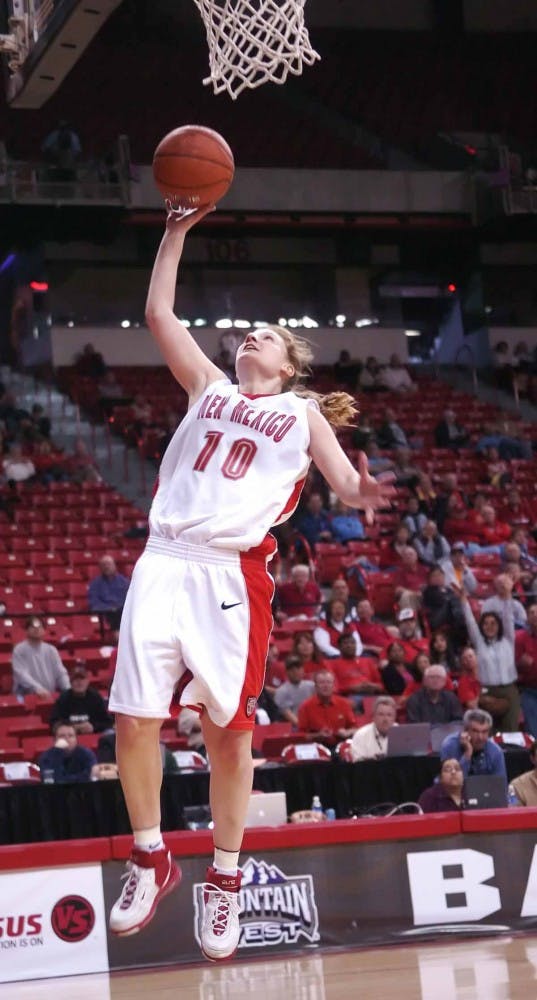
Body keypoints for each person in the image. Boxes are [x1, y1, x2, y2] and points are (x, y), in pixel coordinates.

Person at [105, 205, 394, 960]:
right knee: (133, 719)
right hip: (162, 559)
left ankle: (226, 877)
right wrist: (175, 230)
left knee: (228, 737)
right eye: (247, 332)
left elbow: (337, 476)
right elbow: (157, 311)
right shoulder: (206, 386)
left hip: (229, 575)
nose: (249, 337)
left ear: (290, 365)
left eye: (265, 334)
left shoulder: (301, 413)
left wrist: (358, 494)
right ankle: (150, 854)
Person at [459, 585, 520, 732]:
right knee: (487, 730)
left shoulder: (508, 640)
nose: (489, 626)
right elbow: (470, 622)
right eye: (486, 624)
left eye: (493, 623)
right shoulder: (479, 643)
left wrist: (507, 597)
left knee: (511, 730)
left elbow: (507, 617)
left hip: (509, 689)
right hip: (488, 690)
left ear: (499, 626)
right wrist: (463, 601)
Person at [440, 708, 507, 780]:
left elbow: (501, 786)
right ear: (465, 731)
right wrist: (467, 753)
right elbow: (451, 782)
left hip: (484, 790)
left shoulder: (495, 751)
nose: (480, 737)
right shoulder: (450, 745)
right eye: (475, 731)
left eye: (484, 732)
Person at [297, 669, 357, 748]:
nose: (325, 686)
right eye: (322, 683)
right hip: (316, 747)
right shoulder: (305, 707)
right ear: (315, 686)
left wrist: (347, 732)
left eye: (328, 682)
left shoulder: (344, 704)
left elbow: (355, 729)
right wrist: (318, 735)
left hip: (340, 745)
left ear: (333, 686)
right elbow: (300, 736)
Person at [12, 616, 70, 696]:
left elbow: (60, 672)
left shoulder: (51, 650)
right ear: (26, 630)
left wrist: (68, 689)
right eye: (33, 627)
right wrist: (37, 688)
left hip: (49, 694)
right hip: (27, 695)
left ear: (44, 630)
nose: (36, 629)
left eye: (39, 627)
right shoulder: (19, 649)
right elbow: (21, 674)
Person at [49, 664, 113, 734]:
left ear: (87, 681)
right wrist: (71, 727)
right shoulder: (63, 698)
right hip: (68, 737)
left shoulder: (95, 697)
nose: (79, 682)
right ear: (70, 682)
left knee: (110, 733)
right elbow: (54, 723)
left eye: (82, 679)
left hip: (93, 736)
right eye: (75, 679)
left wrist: (93, 727)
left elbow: (108, 722)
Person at [88, 554, 130, 634]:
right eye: (104, 565)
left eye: (109, 564)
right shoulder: (95, 584)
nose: (106, 567)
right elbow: (94, 603)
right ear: (100, 568)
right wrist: (110, 608)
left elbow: (129, 600)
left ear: (114, 565)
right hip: (106, 615)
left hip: (122, 613)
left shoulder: (124, 582)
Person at [349, 695, 397, 761]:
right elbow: (358, 764)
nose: (385, 719)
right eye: (381, 714)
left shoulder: (402, 734)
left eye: (389, 715)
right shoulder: (361, 735)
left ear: (394, 718)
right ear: (373, 717)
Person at [273, 654, 315, 727]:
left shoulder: (312, 686)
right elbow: (288, 715)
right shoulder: (281, 691)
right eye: (292, 669)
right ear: (286, 672)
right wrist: (305, 728)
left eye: (298, 668)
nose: (295, 672)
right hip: (294, 728)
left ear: (303, 670)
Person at [515, 603, 537, 738]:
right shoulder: (520, 638)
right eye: (531, 613)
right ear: (527, 618)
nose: (535, 615)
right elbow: (513, 666)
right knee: (532, 731)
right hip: (529, 690)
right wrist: (520, 664)